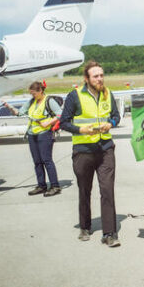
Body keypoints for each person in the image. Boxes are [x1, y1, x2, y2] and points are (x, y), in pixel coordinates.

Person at [59, 61, 121, 248]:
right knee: (85, 190)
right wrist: (81, 130)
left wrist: (111, 123)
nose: (100, 79)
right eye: (96, 76)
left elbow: (116, 116)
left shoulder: (108, 93)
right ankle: (85, 226)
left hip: (105, 149)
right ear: (86, 79)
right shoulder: (75, 95)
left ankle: (109, 233)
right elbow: (64, 122)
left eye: (102, 75)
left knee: (107, 190)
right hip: (83, 151)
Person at [14, 81, 62, 197]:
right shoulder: (32, 101)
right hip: (32, 134)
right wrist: (11, 108)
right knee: (37, 162)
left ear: (40, 91)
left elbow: (60, 114)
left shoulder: (49, 101)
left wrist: (48, 123)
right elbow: (20, 113)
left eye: (34, 93)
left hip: (44, 134)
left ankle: (55, 186)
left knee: (47, 160)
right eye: (31, 94)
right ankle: (41, 185)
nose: (32, 96)